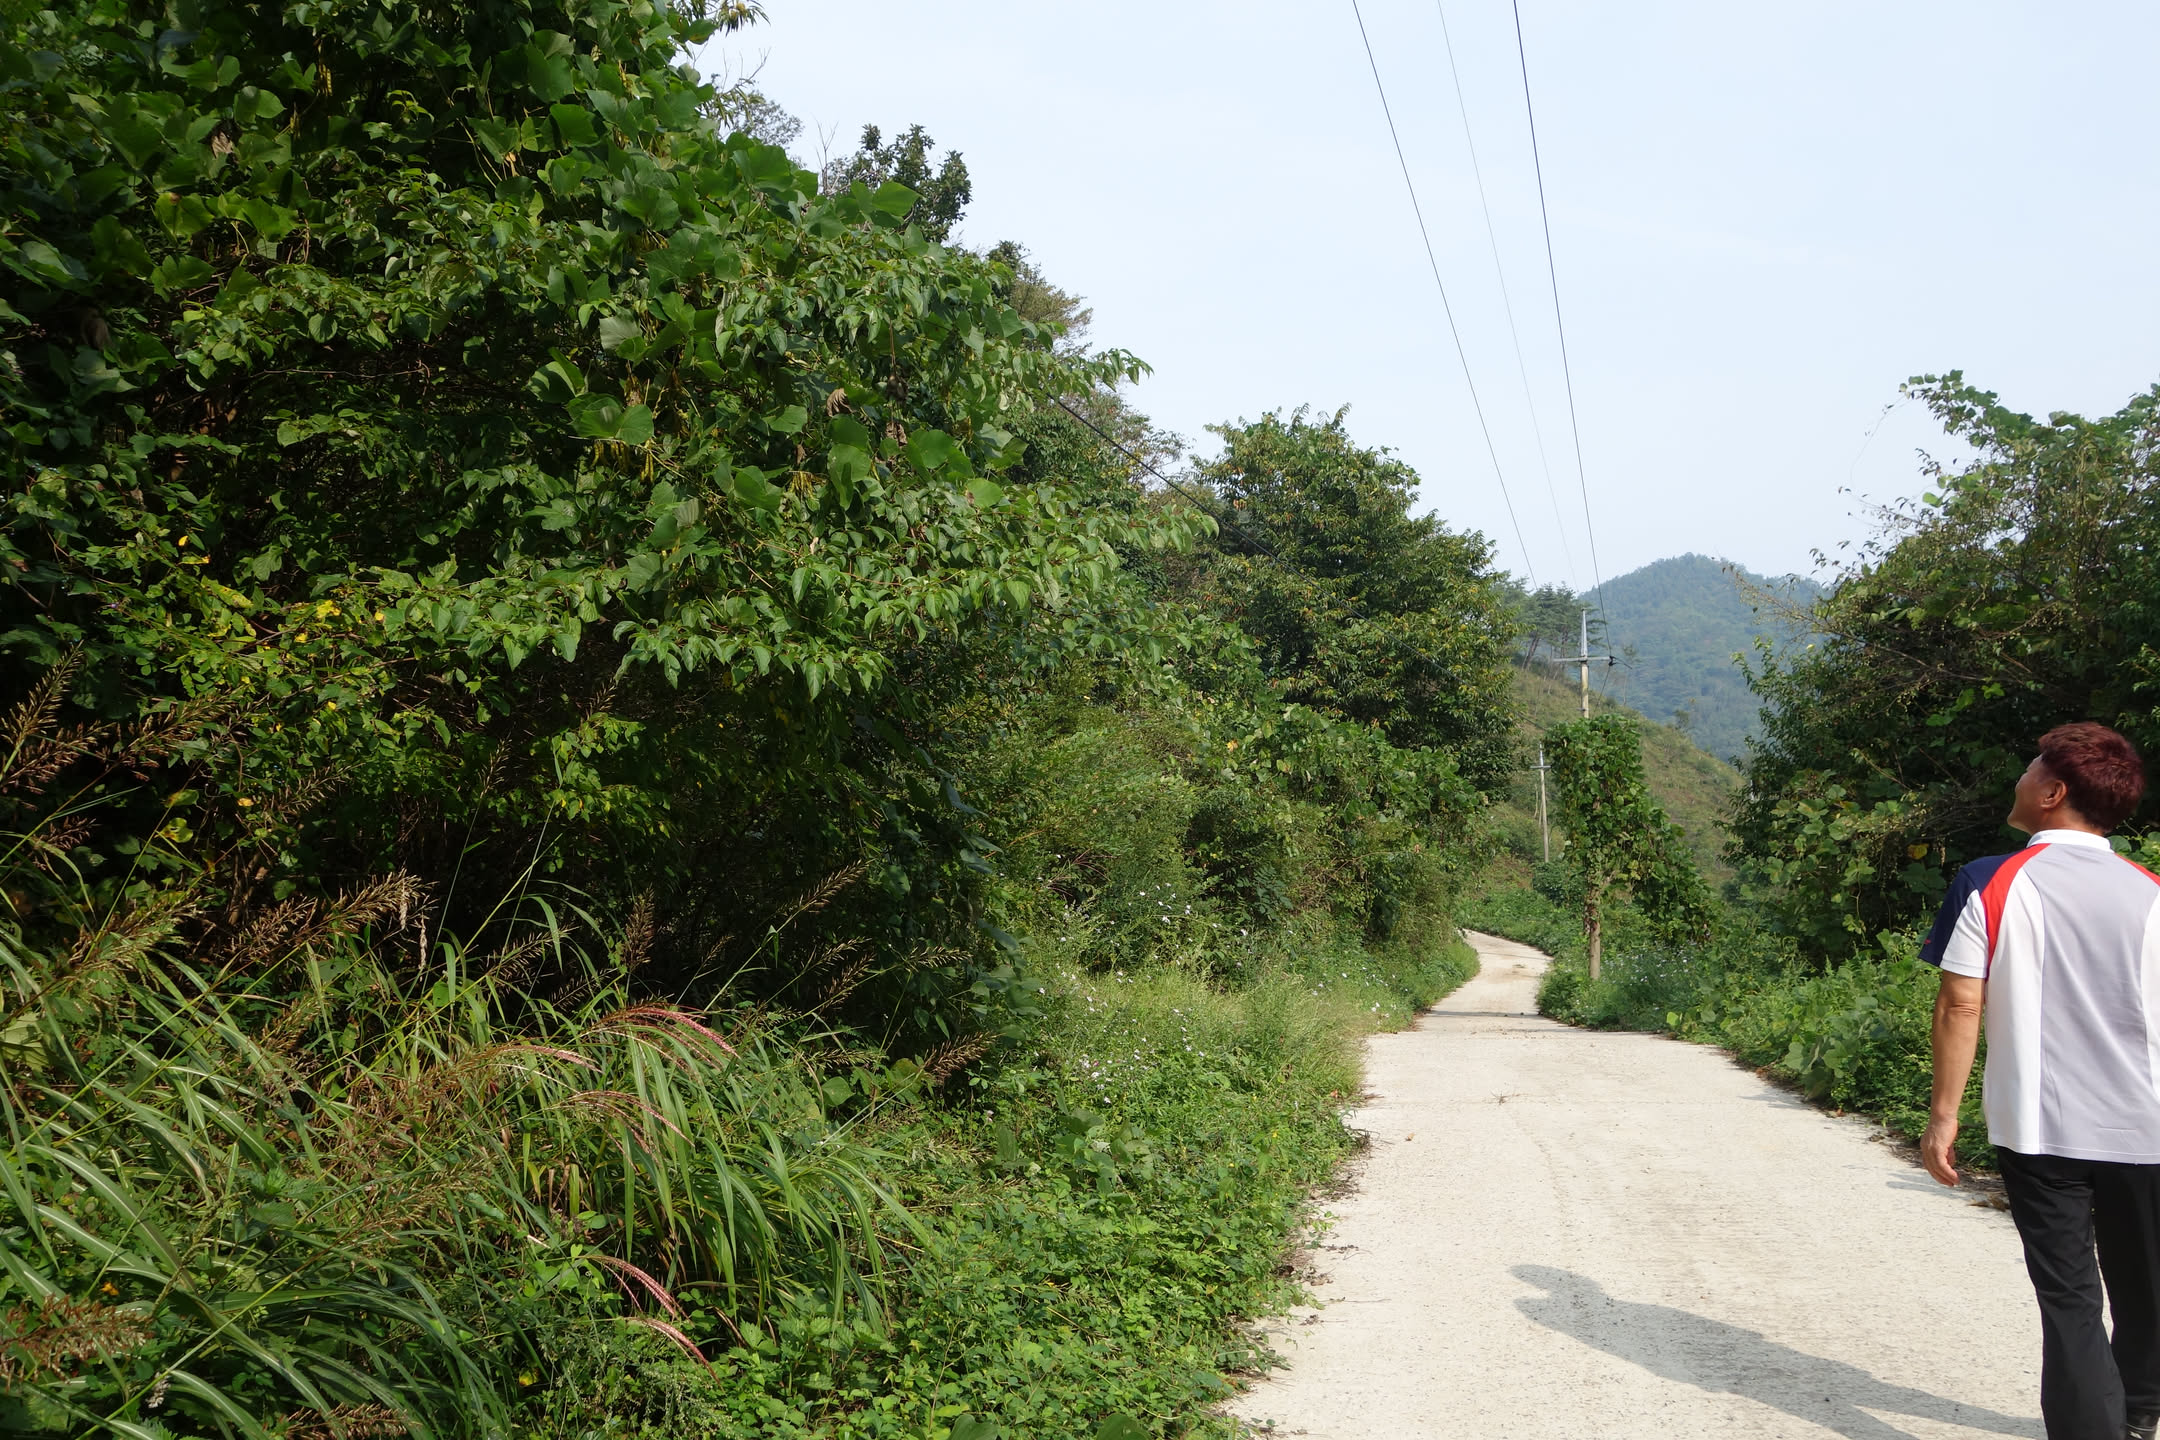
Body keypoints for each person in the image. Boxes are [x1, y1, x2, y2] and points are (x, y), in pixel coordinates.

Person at [1922, 722, 2160, 1440]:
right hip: (2147, 1125)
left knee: (2070, 1300)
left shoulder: (1988, 881)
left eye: (2029, 770)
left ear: (2053, 793)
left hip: (2040, 1127)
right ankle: (2140, 1411)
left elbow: (1961, 1004)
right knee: (2146, 1283)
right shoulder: (2150, 890)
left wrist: (1943, 1116)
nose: (2019, 780)